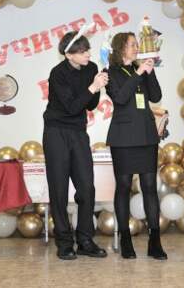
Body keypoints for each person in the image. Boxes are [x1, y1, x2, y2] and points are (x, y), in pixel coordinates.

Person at [42, 30, 109, 260]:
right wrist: (93, 87)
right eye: (82, 51)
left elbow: (90, 105)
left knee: (87, 188)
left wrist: (97, 86)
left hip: (79, 132)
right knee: (59, 189)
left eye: (88, 49)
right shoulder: (57, 73)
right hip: (56, 132)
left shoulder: (91, 68)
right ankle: (64, 242)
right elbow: (71, 107)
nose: (88, 54)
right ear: (69, 55)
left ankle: (85, 240)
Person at [105, 32, 167, 260]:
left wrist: (149, 71)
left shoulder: (139, 69)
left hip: (146, 136)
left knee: (149, 186)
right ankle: (125, 239)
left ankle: (155, 240)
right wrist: (139, 73)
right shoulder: (110, 72)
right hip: (123, 138)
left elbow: (156, 96)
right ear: (121, 48)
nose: (136, 48)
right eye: (132, 44)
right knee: (123, 186)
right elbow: (120, 98)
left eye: (136, 44)